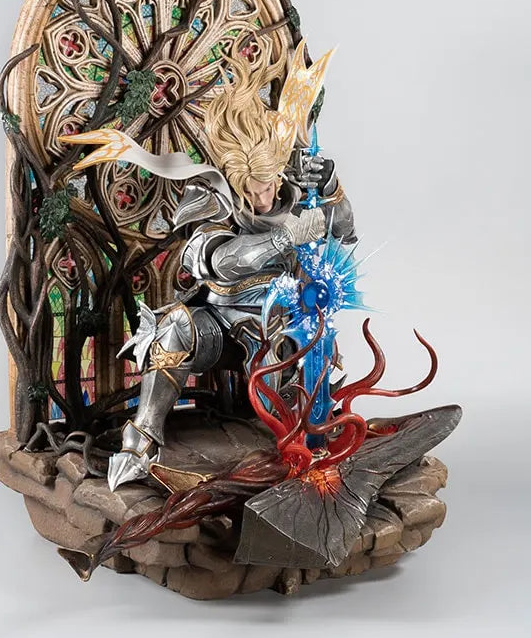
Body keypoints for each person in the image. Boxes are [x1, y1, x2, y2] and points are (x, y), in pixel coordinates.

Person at [103, 53, 357, 490]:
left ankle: (303, 443)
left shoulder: (295, 183)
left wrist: (332, 190)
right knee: (175, 328)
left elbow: (346, 230)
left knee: (297, 340)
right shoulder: (211, 190)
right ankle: (140, 441)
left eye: (270, 185)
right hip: (219, 319)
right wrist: (283, 237)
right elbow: (217, 260)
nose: (265, 198)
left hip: (281, 318)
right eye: (254, 191)